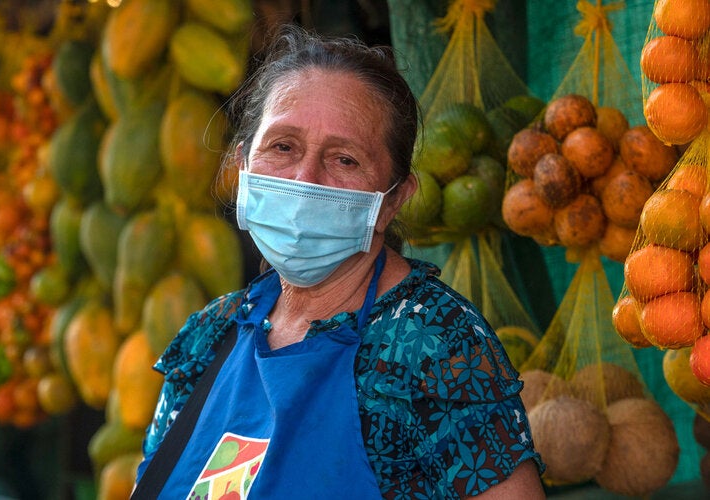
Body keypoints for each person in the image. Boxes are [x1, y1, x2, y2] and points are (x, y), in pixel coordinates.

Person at [134, 24, 545, 499]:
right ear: (244, 165)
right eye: (282, 147)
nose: (306, 179)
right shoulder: (209, 336)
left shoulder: (433, 341)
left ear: (392, 201)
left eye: (345, 159)